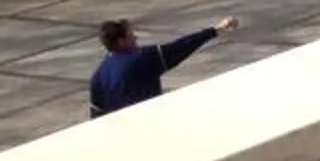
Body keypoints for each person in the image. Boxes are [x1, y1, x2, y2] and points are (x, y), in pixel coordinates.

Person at [89, 15, 238, 117]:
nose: (135, 37)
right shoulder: (142, 58)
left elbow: (97, 117)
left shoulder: (97, 78)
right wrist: (216, 30)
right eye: (130, 35)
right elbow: (180, 48)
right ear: (121, 42)